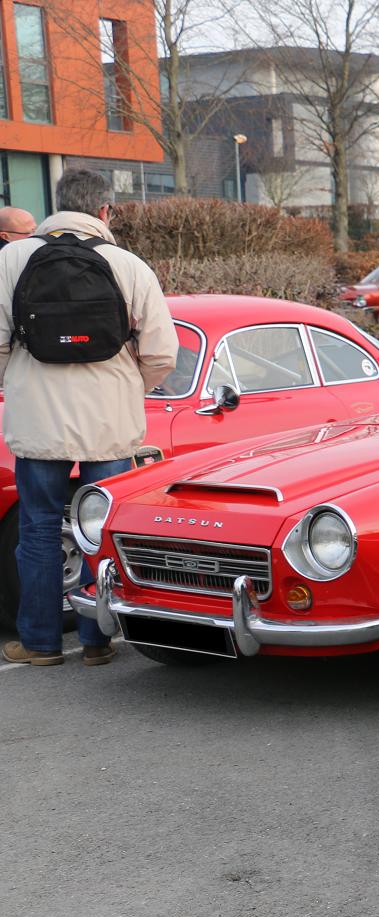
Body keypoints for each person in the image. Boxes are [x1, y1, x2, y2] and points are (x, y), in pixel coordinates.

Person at [0, 169, 177, 667]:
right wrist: (127, 389)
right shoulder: (129, 265)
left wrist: (18, 383)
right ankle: (98, 641)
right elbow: (162, 353)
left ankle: (40, 644)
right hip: (109, 425)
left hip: (37, 423)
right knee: (102, 530)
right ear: (104, 211)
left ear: (56, 204)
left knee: (38, 529)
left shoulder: (11, 259)